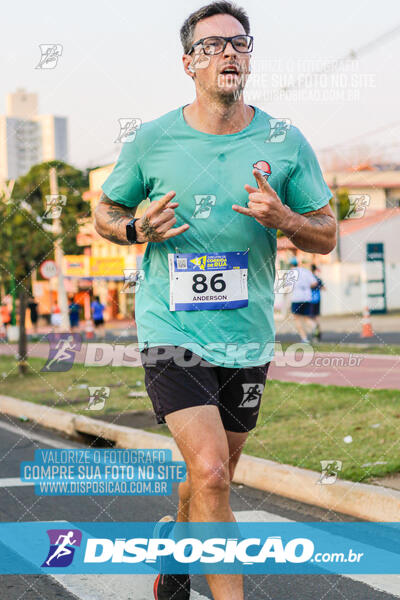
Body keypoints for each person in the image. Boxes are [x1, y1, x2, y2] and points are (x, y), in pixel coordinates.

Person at [94, 3, 336, 598]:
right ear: (188, 64)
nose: (230, 52)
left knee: (206, 478)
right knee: (211, 473)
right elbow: (104, 211)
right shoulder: (152, 139)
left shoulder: (285, 141)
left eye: (240, 43)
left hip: (246, 335)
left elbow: (328, 233)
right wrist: (134, 229)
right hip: (170, 328)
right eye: (213, 45)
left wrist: (284, 218)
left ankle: (174, 566)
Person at [290, 257, 319, 343]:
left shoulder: (291, 272)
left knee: (297, 319)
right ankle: (314, 326)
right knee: (306, 318)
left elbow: (287, 286)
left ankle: (304, 338)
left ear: (291, 265)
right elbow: (315, 283)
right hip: (307, 297)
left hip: (296, 297)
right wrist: (306, 287)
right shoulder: (306, 271)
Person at [310, 264, 325, 341]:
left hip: (311, 300)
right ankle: (318, 330)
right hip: (318, 299)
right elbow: (323, 288)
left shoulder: (310, 278)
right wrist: (318, 286)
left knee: (311, 317)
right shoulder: (318, 279)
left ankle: (315, 331)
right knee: (316, 317)